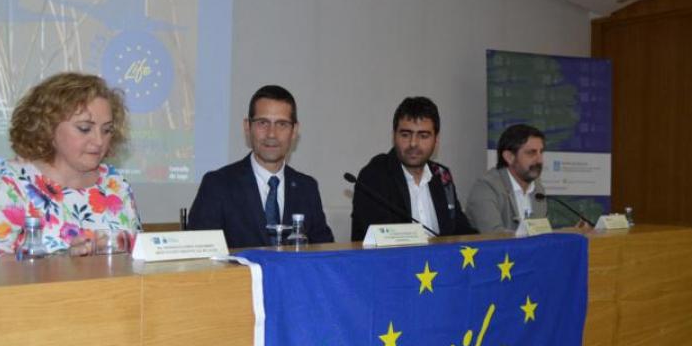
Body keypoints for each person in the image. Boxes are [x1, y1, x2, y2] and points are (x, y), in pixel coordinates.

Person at [0, 72, 142, 261]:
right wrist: (62, 262)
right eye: (85, 128)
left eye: (107, 130)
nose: (99, 140)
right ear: (47, 127)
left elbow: (139, 255)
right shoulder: (7, 182)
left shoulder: (115, 183)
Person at [188, 85, 334, 248]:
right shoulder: (218, 185)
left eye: (282, 124)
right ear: (247, 127)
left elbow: (326, 252)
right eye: (263, 123)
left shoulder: (307, 188)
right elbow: (200, 256)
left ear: (294, 131)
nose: (271, 134)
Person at [350, 96, 475, 241]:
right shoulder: (375, 175)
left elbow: (460, 230)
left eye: (423, 136)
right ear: (394, 136)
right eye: (405, 135)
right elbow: (381, 239)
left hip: (440, 262)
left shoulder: (442, 176)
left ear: (436, 139)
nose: (413, 143)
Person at [466, 124, 547, 233]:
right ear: (509, 157)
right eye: (531, 153)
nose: (539, 160)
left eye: (541, 152)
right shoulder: (486, 188)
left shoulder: (537, 189)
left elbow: (540, 233)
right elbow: (494, 235)